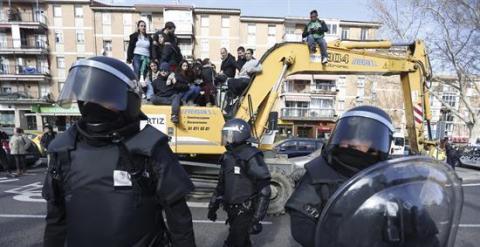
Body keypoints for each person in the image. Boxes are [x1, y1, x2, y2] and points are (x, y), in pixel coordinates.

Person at [42, 57, 195, 247]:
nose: (92, 103)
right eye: (88, 96)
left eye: (103, 97)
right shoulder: (63, 148)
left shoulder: (150, 146)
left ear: (129, 100)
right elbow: (56, 220)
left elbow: (179, 220)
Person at [285, 105, 394, 247]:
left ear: (376, 141)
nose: (354, 143)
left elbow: (414, 216)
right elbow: (301, 222)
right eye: (349, 137)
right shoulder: (320, 172)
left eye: (363, 138)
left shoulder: (389, 176)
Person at [208, 118, 271, 247]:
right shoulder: (228, 156)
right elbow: (221, 185)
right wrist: (212, 207)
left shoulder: (251, 156)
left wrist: (256, 219)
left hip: (245, 211)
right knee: (243, 243)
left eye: (228, 135)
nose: (225, 138)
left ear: (238, 135)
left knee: (233, 243)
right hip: (231, 210)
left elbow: (265, 190)